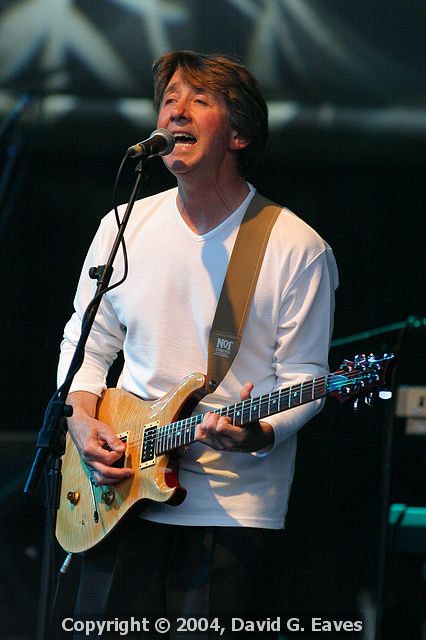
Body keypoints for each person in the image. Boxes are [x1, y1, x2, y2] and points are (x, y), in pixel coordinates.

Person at [57, 50, 338, 636]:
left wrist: (255, 431)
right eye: (168, 101)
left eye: (198, 101)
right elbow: (87, 343)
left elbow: (308, 381)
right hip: (117, 499)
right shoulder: (123, 225)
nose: (175, 113)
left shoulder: (293, 246)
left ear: (238, 134)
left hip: (232, 514)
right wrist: (82, 423)